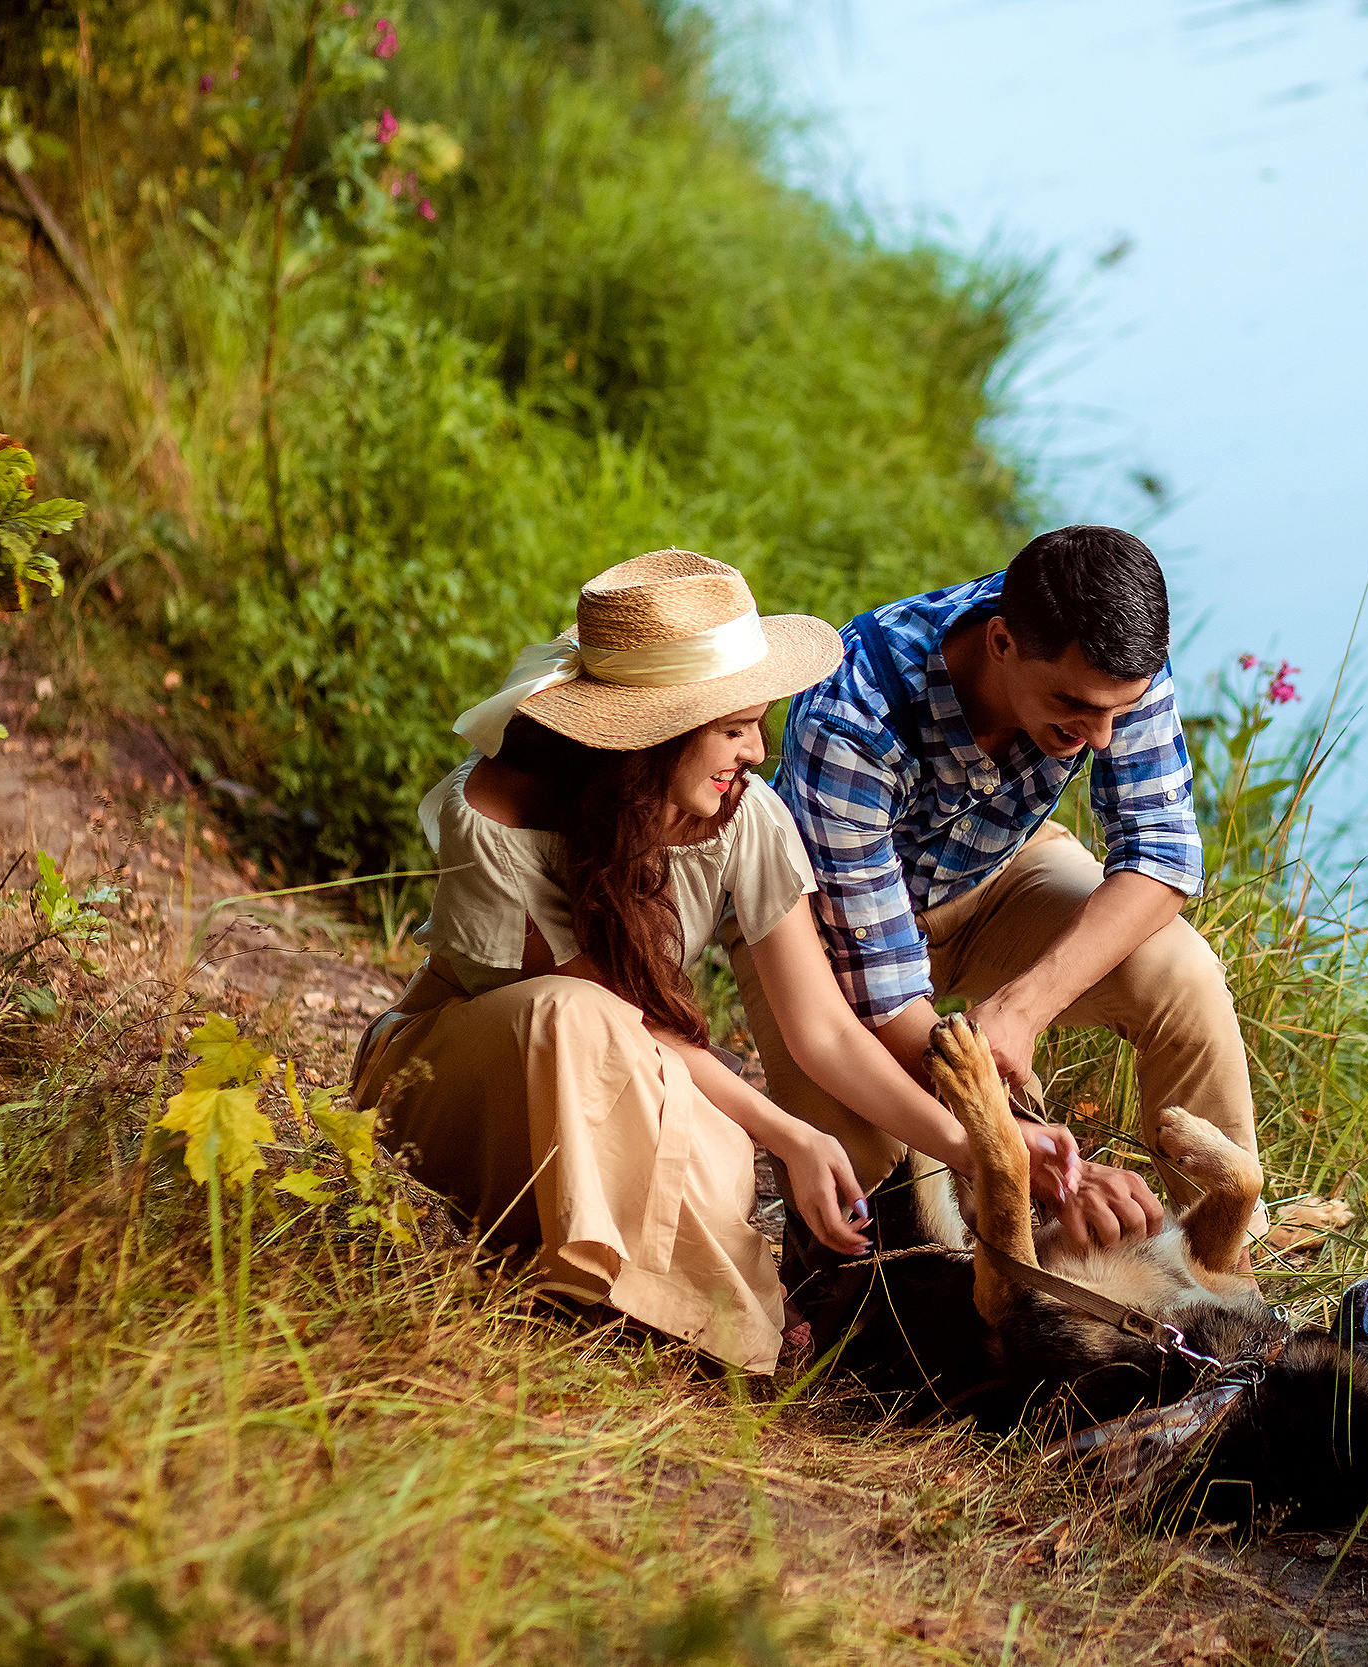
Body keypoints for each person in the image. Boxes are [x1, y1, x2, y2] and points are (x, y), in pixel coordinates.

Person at [351, 550, 1080, 1375]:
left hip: (622, 1067)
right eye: (733, 729)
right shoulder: (499, 809)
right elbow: (620, 1020)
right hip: (464, 1080)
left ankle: (641, 1295)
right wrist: (788, 1132)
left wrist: (982, 1147)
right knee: (577, 1017)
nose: (758, 751)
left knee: (713, 1143)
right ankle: (678, 1304)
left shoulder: (747, 816)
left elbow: (823, 1032)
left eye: (759, 723)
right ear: (657, 731)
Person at [734, 524, 1257, 1263]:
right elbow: (882, 993)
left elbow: (1162, 855)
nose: (1101, 738)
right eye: (1074, 706)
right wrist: (1023, 1146)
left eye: (1119, 711)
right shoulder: (854, 714)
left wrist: (1023, 1007)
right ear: (1002, 642)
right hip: (824, 923)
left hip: (993, 876)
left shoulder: (1113, 658)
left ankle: (1221, 1268)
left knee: (1182, 972)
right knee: (868, 1194)